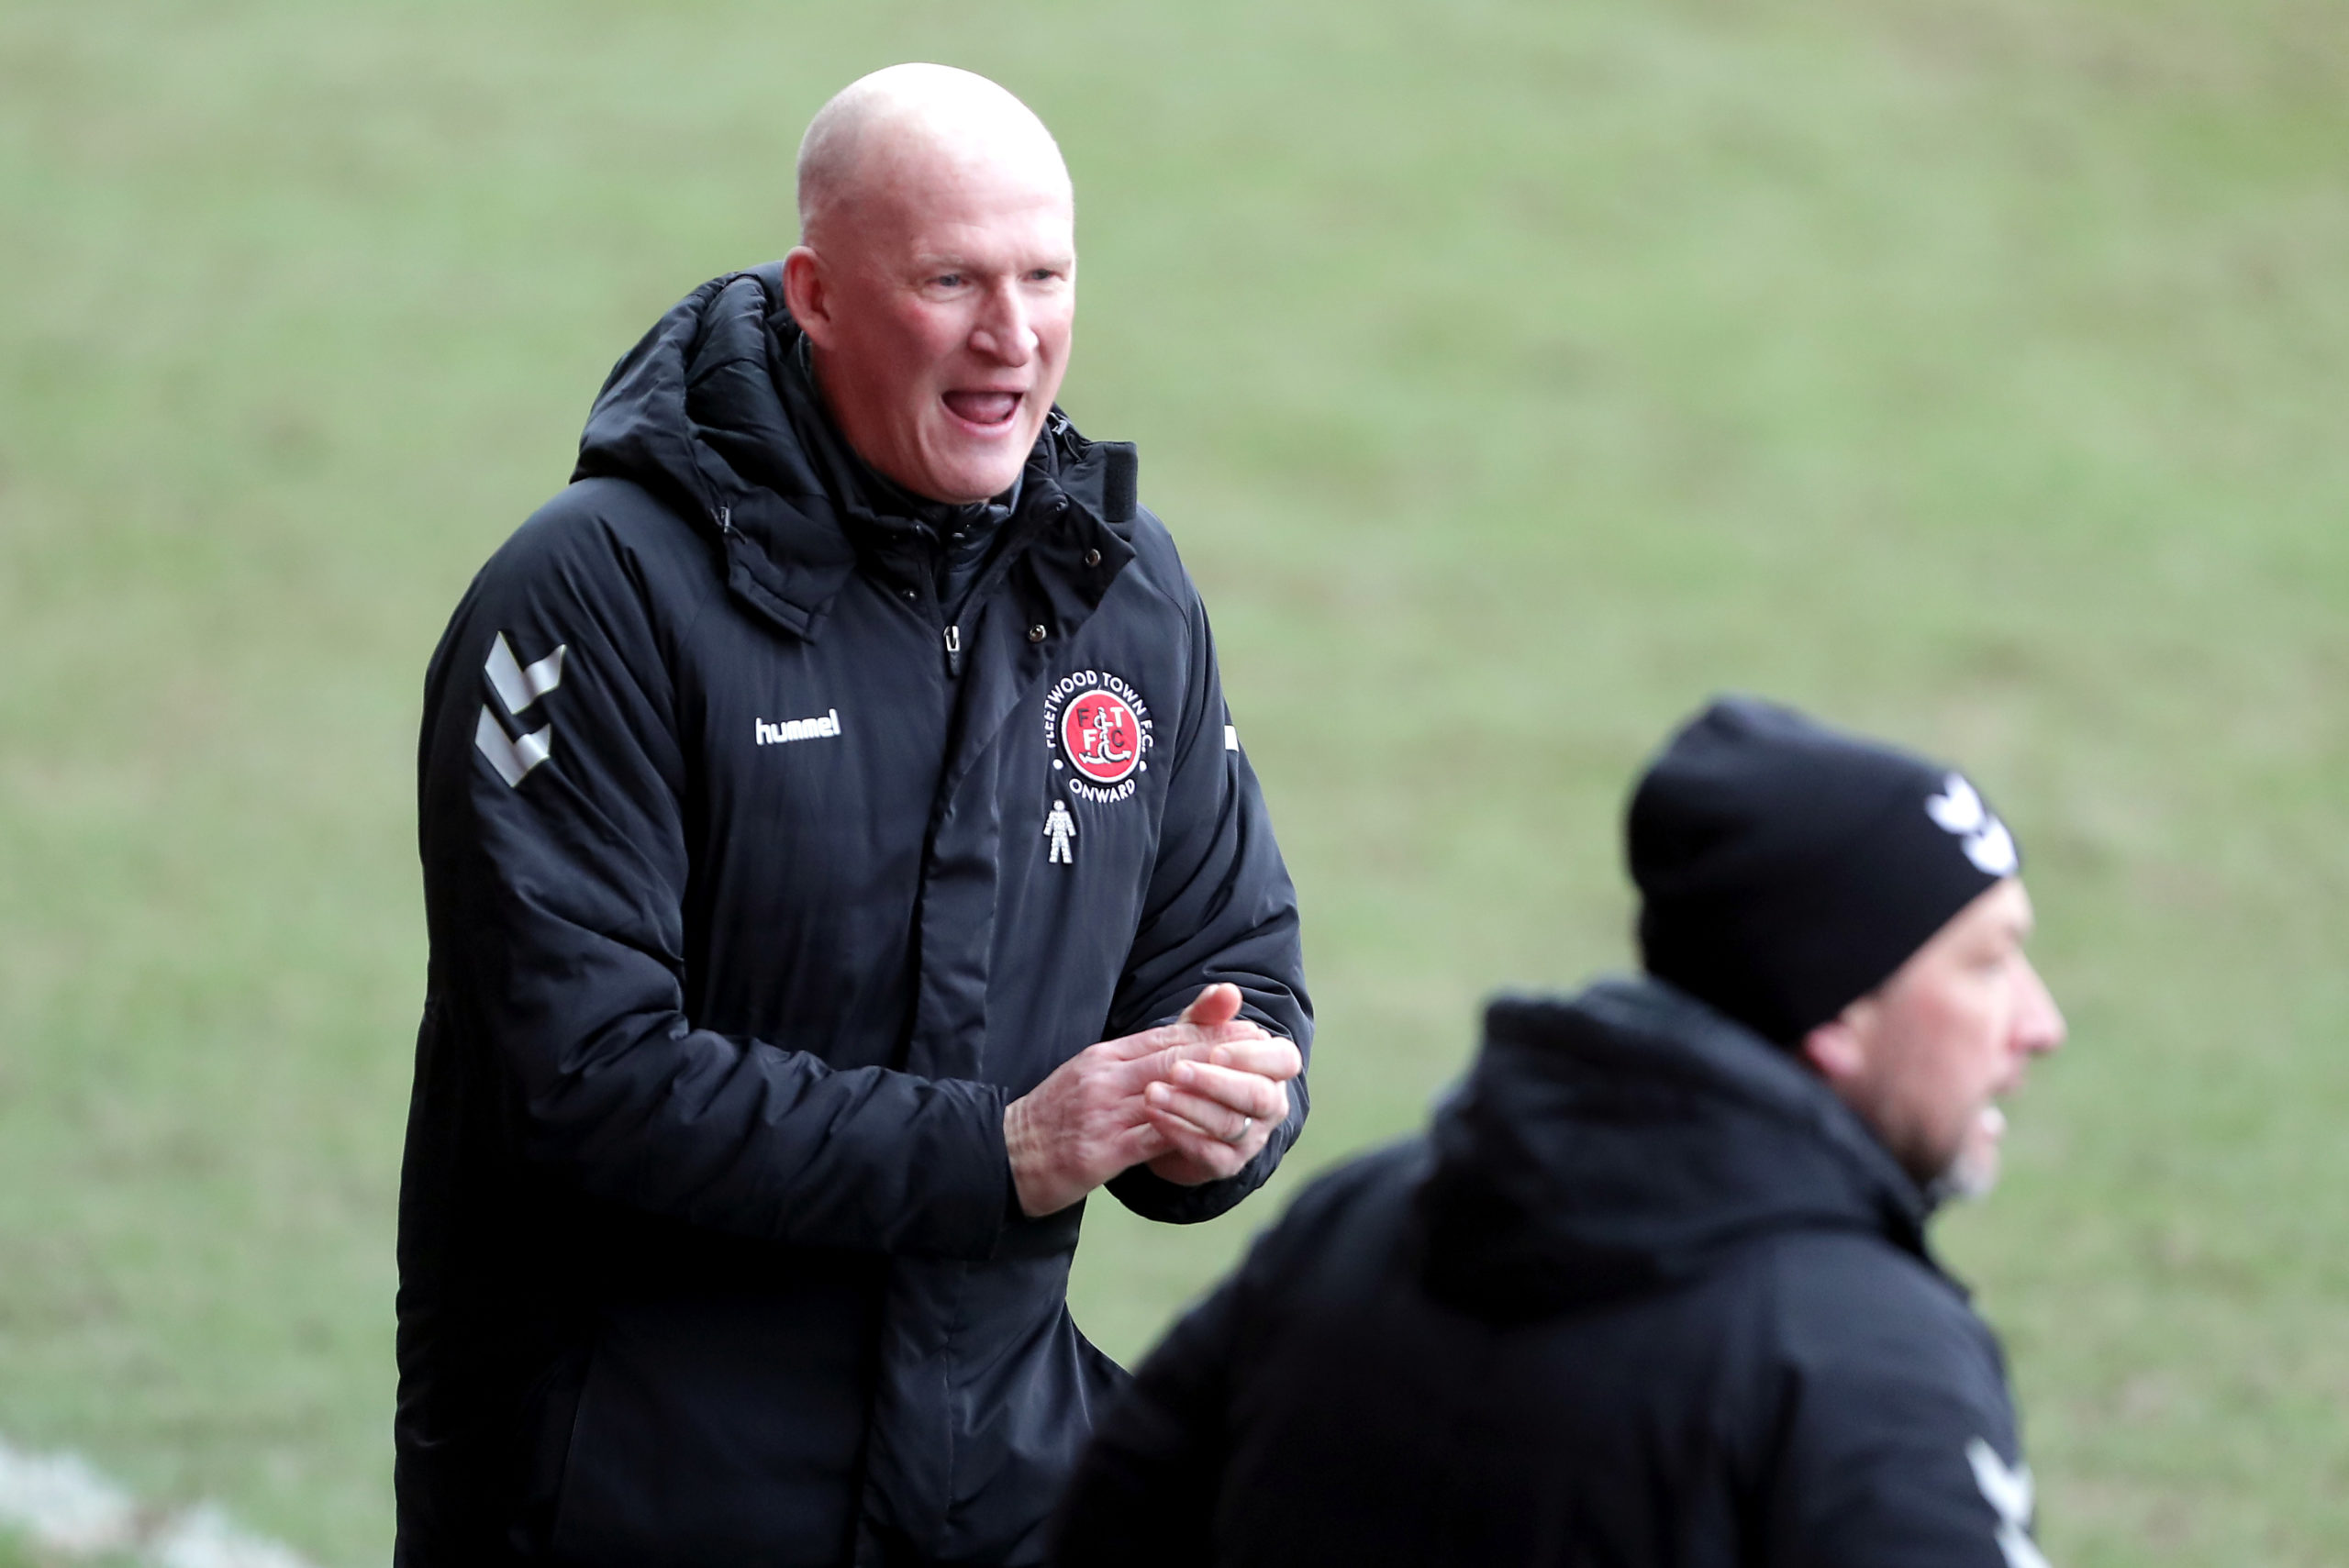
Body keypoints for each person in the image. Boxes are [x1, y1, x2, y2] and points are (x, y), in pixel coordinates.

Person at [395, 63, 1310, 1567]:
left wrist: (1221, 1105)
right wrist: (998, 1152)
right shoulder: (591, 597)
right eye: (952, 281)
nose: (1012, 335)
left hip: (995, 1488)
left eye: (1045, 277)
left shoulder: (1120, 588)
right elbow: (580, 1074)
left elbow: (1232, 952)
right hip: (636, 1500)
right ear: (816, 295)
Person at [1051, 695, 2065, 1568]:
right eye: (1986, 964)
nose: (2040, 1022)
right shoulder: (1866, 1359)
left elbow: (1109, 1528)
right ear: (1837, 1008)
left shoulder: (1355, 1227)